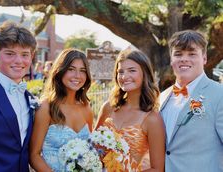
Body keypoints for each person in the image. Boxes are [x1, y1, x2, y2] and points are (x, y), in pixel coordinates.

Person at [160, 30, 223, 172]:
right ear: (171, 59)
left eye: (192, 54)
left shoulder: (219, 95)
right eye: (178, 54)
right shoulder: (161, 98)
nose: (184, 59)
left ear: (204, 58)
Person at [95, 49, 165, 171]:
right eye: (120, 71)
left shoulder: (152, 118)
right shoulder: (108, 107)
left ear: (145, 74)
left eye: (132, 70)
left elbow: (157, 169)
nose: (124, 76)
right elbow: (93, 146)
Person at [30, 48, 94, 172]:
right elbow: (34, 155)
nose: (77, 76)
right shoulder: (46, 107)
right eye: (71, 69)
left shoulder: (86, 108)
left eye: (83, 71)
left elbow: (91, 149)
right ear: (60, 71)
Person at [0, 21, 37, 171]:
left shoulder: (30, 98)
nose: (18, 61)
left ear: (32, 56)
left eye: (24, 54)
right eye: (10, 54)